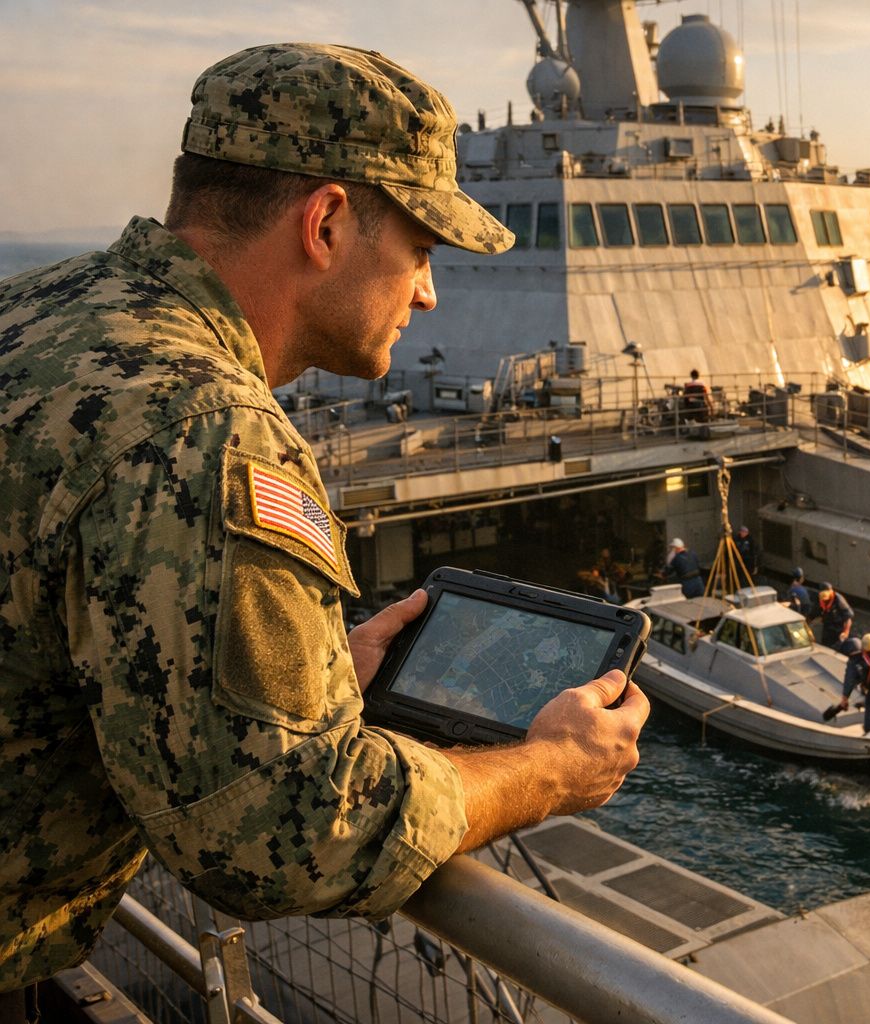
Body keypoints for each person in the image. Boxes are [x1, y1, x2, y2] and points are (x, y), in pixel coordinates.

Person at [0, 43, 650, 1005]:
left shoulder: (37, 311)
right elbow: (285, 834)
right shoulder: (209, 432)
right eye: (423, 250)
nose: (428, 292)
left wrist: (300, 676)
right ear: (329, 223)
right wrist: (547, 770)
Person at [809, 581, 855, 649]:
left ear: (830, 592)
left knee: (836, 648)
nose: (824, 599)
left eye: (825, 597)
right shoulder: (819, 599)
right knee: (825, 647)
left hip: (838, 628)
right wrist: (807, 626)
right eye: (822, 598)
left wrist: (846, 632)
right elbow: (813, 614)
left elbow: (848, 618)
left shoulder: (839, 599)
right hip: (827, 626)